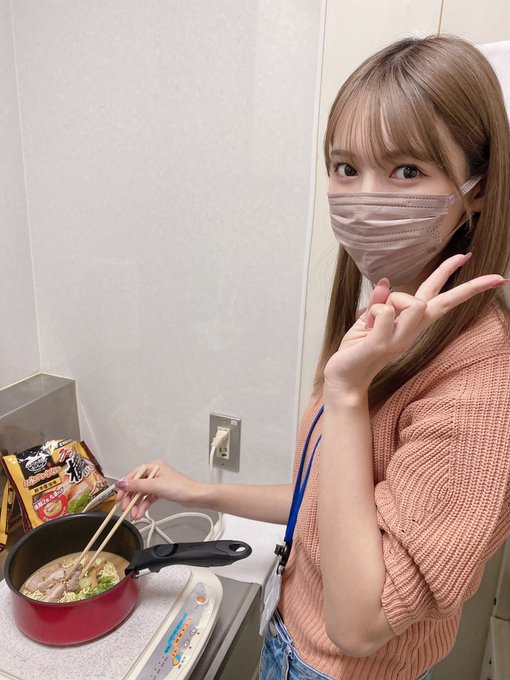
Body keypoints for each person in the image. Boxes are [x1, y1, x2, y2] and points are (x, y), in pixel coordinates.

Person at [116, 35, 510, 680]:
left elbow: (359, 624)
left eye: (407, 170)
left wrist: (347, 394)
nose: (364, 199)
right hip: (289, 639)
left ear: (479, 189)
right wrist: (197, 489)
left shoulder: (483, 386)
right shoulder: (389, 323)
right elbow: (328, 507)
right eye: (345, 168)